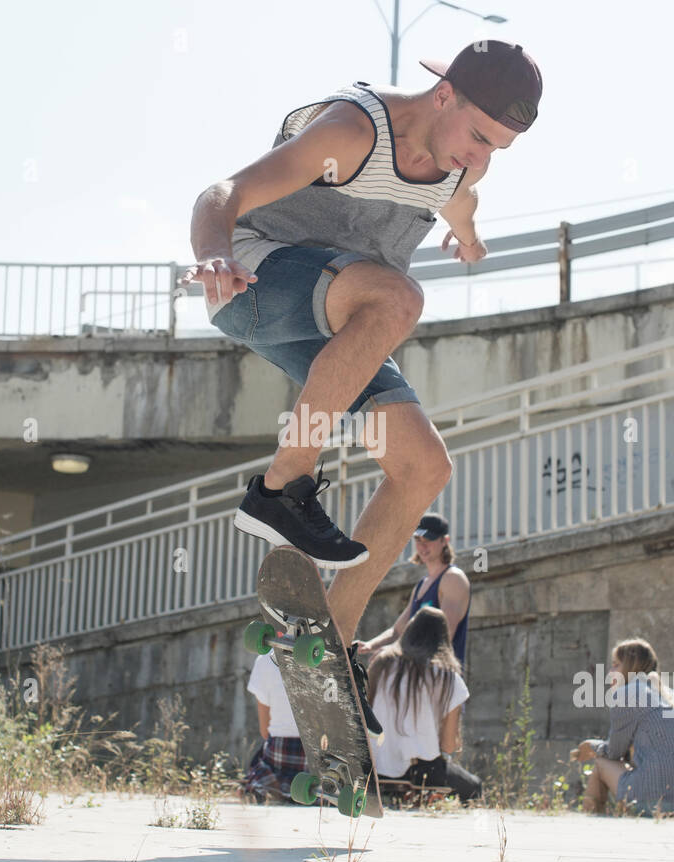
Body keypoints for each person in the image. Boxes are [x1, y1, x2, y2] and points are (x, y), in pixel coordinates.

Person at [182, 42, 542, 728]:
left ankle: (329, 642)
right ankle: (281, 488)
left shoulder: (460, 166)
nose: (480, 156)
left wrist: (469, 239)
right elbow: (221, 193)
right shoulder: (355, 132)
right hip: (258, 288)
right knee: (399, 299)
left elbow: (462, 203)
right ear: (444, 96)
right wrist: (214, 255)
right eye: (477, 136)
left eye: (498, 147)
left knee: (423, 467)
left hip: (338, 334)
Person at [571, 638, 674, 816]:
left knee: (601, 764)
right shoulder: (672, 697)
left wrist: (591, 746)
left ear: (631, 668)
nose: (610, 673)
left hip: (653, 802)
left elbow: (613, 753)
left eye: (615, 665)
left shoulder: (628, 693)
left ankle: (589, 823)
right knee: (631, 768)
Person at [367, 606, 481, 803]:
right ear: (443, 640)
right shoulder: (449, 679)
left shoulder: (380, 665)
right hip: (422, 774)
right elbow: (448, 744)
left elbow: (364, 715)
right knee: (474, 787)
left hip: (374, 770)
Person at [361, 512, 470, 667]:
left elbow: (443, 636)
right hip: (418, 679)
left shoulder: (453, 579)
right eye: (418, 539)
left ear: (444, 540)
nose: (422, 545)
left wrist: (393, 650)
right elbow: (397, 632)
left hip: (443, 680)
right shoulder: (422, 585)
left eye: (429, 539)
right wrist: (370, 645)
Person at [240, 651, 308, 803]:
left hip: (280, 755)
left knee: (258, 761)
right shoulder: (331, 657)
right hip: (316, 760)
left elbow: (265, 730)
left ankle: (272, 789)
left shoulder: (265, 660)